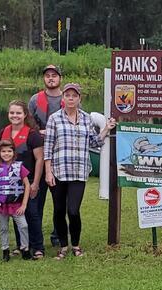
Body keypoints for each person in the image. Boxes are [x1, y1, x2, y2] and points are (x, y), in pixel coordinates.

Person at [43, 82, 116, 258]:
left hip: (79, 171)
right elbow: (48, 146)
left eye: (74, 96)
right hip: (59, 171)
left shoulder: (86, 118)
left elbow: (94, 142)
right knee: (59, 210)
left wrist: (106, 128)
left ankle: (75, 245)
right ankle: (63, 246)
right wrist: (48, 171)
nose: (70, 98)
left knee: (73, 210)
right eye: (67, 95)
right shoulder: (54, 118)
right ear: (63, 98)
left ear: (79, 99)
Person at [0, 100, 45, 258]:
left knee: (32, 213)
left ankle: (38, 246)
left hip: (28, 181)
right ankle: (22, 245)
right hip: (10, 182)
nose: (15, 116)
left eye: (18, 113)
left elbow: (40, 159)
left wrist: (36, 183)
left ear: (25, 114)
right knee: (15, 213)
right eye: (12, 113)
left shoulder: (33, 135)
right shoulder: (4, 131)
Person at [29, 64, 64, 249]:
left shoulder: (69, 98)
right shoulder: (35, 100)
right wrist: (39, 131)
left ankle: (58, 235)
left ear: (60, 78)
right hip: (39, 154)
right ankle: (35, 236)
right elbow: (27, 123)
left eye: (54, 75)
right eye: (47, 75)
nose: (51, 78)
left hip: (60, 156)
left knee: (59, 199)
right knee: (36, 196)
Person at [0, 139, 31, 261]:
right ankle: (5, 250)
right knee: (3, 227)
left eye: (9, 151)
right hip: (0, 204)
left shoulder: (19, 167)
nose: (6, 154)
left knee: (23, 225)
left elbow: (27, 185)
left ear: (14, 152)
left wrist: (24, 205)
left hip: (16, 204)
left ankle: (25, 248)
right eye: (3, 151)